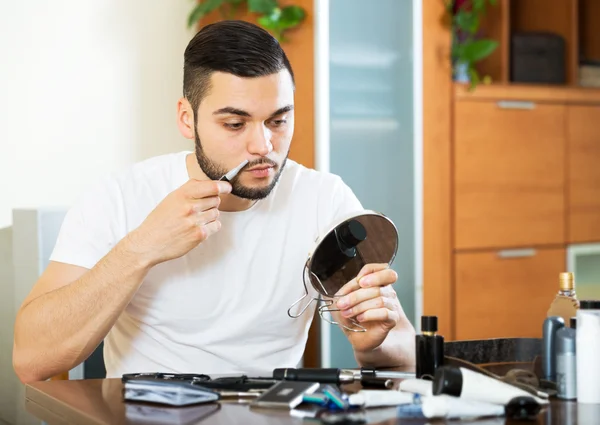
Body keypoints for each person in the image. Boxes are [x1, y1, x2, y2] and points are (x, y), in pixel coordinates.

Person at [13, 20, 415, 383]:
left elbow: (404, 354)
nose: (263, 146)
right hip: (147, 413)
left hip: (272, 412)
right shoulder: (120, 195)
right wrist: (142, 248)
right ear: (187, 118)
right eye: (235, 124)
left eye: (278, 120)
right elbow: (31, 359)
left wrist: (373, 344)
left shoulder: (324, 198)